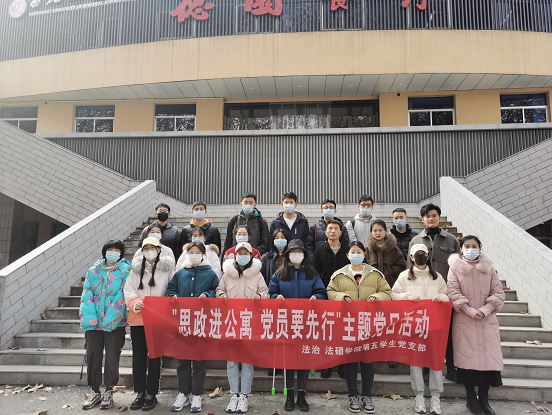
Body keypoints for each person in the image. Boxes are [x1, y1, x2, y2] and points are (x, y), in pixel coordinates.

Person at [327, 242, 392, 414]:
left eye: (359, 252)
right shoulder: (339, 274)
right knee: (350, 362)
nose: (356, 254)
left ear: (364, 254)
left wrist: (377, 296)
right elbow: (330, 292)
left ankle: (367, 395)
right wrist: (342, 296)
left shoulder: (375, 274)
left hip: (369, 324)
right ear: (347, 255)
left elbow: (387, 292)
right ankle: (353, 395)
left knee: (367, 362)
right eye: (352, 252)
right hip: (348, 325)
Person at [447, 236, 505, 415]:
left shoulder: (489, 269)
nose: (470, 249)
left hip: (487, 321)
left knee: (488, 363)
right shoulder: (454, 268)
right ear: (461, 248)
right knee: (468, 363)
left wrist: (486, 309)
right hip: (465, 321)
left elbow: (498, 292)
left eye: (474, 246)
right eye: (467, 246)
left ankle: (484, 401)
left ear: (480, 248)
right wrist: (471, 311)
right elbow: (453, 293)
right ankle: (471, 399)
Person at [268, 239, 326, 413]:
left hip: (306, 323)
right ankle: (289, 394)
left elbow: (321, 292)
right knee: (288, 360)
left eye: (299, 252)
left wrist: (317, 298)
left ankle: (301, 394)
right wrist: (276, 297)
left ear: (304, 255)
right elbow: (271, 291)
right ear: (288, 255)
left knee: (303, 359)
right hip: (286, 323)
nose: (296, 255)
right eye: (293, 252)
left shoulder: (312, 273)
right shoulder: (280, 273)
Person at [392, 244, 449, 415]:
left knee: (435, 361)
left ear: (428, 255)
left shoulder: (437, 276)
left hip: (434, 325)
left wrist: (442, 297)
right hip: (414, 325)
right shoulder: (404, 276)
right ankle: (419, 396)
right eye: (417, 254)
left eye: (423, 253)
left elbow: (447, 294)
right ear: (411, 257)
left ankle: (436, 396)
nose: (420, 256)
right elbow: (394, 294)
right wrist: (407, 296)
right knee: (416, 361)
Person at [409, 203, 460, 383]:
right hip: (422, 297)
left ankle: (451, 368)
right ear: (422, 219)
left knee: (448, 334)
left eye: (434, 215)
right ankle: (424, 367)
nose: (431, 219)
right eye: (427, 216)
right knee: (424, 333)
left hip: (444, 295)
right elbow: (410, 271)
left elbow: (458, 269)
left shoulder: (451, 241)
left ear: (439, 217)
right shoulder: (415, 241)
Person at [167, 242, 220, 413]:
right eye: (191, 252)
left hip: (201, 322)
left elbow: (216, 290)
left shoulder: (210, 273)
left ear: (203, 255)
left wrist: (208, 295)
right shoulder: (180, 273)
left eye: (198, 252)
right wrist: (173, 295)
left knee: (199, 360)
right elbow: (171, 289)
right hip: (182, 322)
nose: (194, 255)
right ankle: (183, 393)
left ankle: (197, 394)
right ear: (187, 254)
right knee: (182, 360)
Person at [124, 237, 175, 411]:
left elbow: (172, 288)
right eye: (145, 248)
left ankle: (151, 393)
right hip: (138, 319)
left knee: (155, 356)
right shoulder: (135, 270)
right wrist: (134, 302)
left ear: (159, 249)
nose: (149, 251)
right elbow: (128, 288)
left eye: (152, 247)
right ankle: (140, 392)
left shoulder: (167, 269)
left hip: (158, 320)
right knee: (138, 356)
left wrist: (167, 302)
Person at [217, 242, 269, 413]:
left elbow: (266, 293)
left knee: (247, 361)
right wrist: (221, 294)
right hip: (231, 322)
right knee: (232, 361)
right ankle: (234, 394)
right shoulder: (227, 274)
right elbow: (219, 290)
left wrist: (259, 296)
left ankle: (244, 395)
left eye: (245, 253)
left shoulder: (257, 275)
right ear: (235, 255)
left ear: (251, 255)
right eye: (239, 253)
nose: (242, 256)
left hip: (250, 323)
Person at [79, 240, 131, 410]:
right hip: (93, 324)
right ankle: (94, 391)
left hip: (115, 324)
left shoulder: (125, 272)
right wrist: (91, 318)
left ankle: (109, 390)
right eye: (110, 249)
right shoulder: (93, 271)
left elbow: (122, 296)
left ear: (121, 253)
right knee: (92, 354)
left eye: (117, 250)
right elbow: (87, 295)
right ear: (104, 252)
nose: (113, 252)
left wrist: (110, 319)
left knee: (112, 356)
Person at [312, 220, 350, 379]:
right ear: (326, 232)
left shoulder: (347, 250)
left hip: (344, 297)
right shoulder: (319, 251)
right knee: (326, 332)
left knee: (342, 332)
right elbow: (315, 273)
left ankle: (342, 366)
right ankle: (326, 365)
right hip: (325, 295)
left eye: (336, 229)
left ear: (341, 232)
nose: (333, 231)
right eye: (330, 229)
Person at [365, 219, 406, 289]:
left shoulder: (394, 249)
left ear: (385, 231)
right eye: (375, 230)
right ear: (371, 232)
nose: (378, 233)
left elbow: (402, 266)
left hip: (390, 286)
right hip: (372, 287)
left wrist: (390, 271)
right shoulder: (367, 250)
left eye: (380, 230)